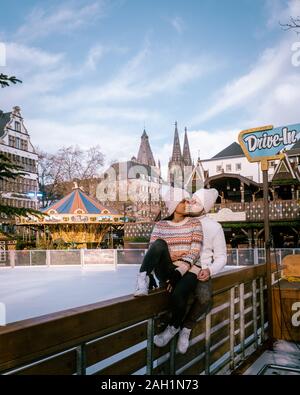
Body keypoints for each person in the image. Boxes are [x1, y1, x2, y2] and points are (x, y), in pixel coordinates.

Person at [134, 187, 204, 348]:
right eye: (182, 201)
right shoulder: (161, 225)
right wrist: (151, 273)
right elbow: (153, 249)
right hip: (166, 267)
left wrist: (179, 273)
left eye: (187, 201)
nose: (187, 204)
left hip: (189, 269)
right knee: (159, 244)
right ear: (173, 205)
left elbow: (195, 251)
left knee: (179, 294)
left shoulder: (195, 223)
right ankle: (142, 279)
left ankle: (173, 328)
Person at [176, 188, 227, 354]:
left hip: (201, 271)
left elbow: (221, 257)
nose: (190, 203)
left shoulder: (214, 227)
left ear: (205, 207)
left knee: (204, 298)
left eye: (196, 202)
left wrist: (210, 270)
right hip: (180, 268)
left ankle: (186, 327)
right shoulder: (181, 221)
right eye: (191, 199)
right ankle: (171, 327)